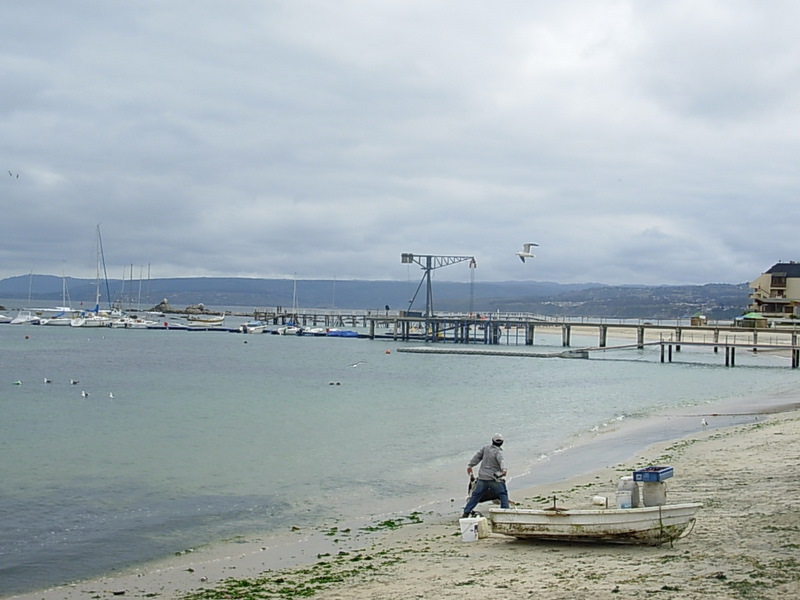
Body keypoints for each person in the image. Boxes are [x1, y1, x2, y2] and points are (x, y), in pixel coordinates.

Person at [461, 433, 510, 518]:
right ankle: (505, 512)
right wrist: (504, 470)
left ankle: (466, 512)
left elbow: (477, 457)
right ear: (502, 442)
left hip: (482, 477)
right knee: (502, 493)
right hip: (493, 478)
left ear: (492, 441)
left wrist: (470, 465)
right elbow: (501, 461)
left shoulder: (485, 448)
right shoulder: (499, 452)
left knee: (476, 496)